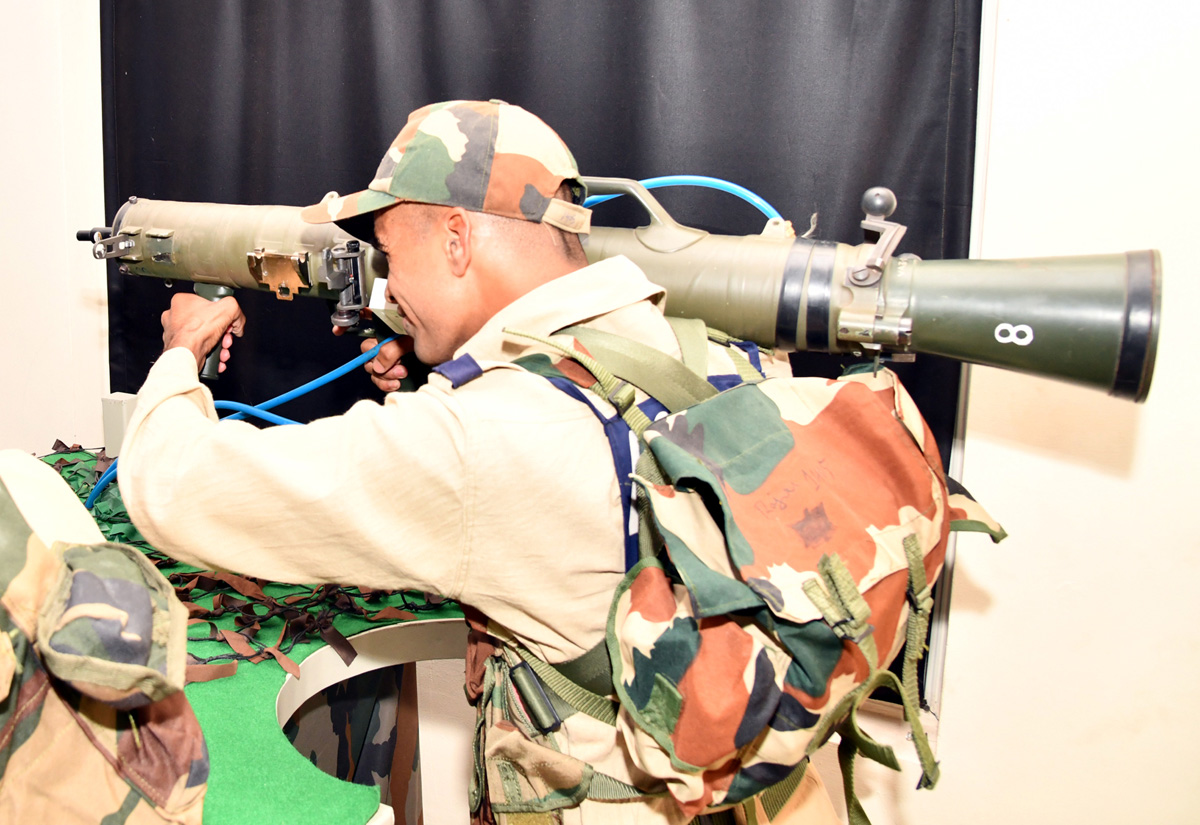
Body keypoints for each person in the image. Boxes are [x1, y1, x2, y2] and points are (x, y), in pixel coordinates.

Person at [119, 100, 839, 823]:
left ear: (457, 239)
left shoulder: (482, 437)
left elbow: (172, 484)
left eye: (392, 257)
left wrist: (183, 349)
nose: (390, 288)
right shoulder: (707, 346)